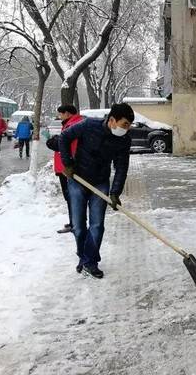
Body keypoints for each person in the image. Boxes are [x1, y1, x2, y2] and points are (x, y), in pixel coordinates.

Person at [59, 103, 134, 279]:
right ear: (112, 120)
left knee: (97, 225)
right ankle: (84, 257)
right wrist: (67, 163)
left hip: (100, 183)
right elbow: (64, 138)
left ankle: (89, 262)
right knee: (78, 227)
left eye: (129, 125)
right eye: (124, 124)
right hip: (77, 179)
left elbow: (121, 167)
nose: (127, 129)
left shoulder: (124, 139)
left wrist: (115, 193)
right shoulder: (89, 125)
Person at [46, 105, 83, 234]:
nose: (60, 116)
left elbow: (66, 145)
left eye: (61, 114)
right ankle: (74, 222)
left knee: (72, 197)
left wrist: (54, 143)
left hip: (69, 168)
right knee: (71, 197)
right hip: (66, 168)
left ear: (67, 113)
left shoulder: (73, 125)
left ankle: (76, 224)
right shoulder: (72, 124)